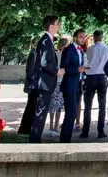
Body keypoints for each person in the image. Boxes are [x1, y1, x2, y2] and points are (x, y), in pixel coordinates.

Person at [29, 15, 62, 144]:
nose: (59, 26)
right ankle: (35, 141)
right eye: (58, 23)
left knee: (40, 113)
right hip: (44, 84)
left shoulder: (47, 40)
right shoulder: (46, 41)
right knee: (41, 113)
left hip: (44, 83)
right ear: (51, 26)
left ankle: (35, 139)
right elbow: (45, 62)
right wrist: (57, 71)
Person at [81, 30, 108, 139]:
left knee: (87, 106)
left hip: (90, 77)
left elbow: (85, 65)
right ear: (102, 37)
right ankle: (100, 131)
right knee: (102, 106)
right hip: (102, 77)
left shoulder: (89, 49)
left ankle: (85, 131)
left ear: (94, 37)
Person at [59, 29, 87, 143]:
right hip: (69, 85)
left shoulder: (81, 51)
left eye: (84, 37)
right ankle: (64, 140)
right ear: (75, 37)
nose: (82, 39)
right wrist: (77, 69)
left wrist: (83, 70)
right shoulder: (68, 50)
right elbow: (63, 67)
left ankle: (67, 138)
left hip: (78, 85)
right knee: (70, 113)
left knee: (73, 112)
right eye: (81, 37)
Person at [18, 36, 40, 136]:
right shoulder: (33, 54)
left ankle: (28, 128)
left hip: (34, 85)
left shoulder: (36, 53)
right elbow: (30, 71)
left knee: (32, 107)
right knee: (31, 107)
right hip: (33, 86)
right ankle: (24, 128)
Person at [49, 36, 68, 134]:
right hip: (61, 82)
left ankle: (51, 125)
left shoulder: (54, 54)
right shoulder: (66, 56)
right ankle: (55, 126)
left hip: (53, 82)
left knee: (52, 105)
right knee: (59, 106)